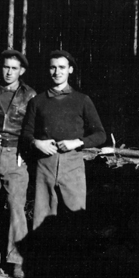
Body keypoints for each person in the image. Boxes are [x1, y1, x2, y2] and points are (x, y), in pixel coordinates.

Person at [21, 50, 106, 231]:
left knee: (75, 217)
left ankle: (74, 259)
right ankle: (42, 259)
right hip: (45, 164)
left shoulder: (82, 100)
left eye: (62, 67)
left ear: (70, 70)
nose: (57, 72)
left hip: (73, 164)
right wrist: (37, 143)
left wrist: (78, 142)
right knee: (42, 218)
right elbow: (26, 133)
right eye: (53, 67)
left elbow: (100, 134)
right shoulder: (38, 101)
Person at [0, 50, 36, 278]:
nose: (9, 72)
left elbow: (33, 128)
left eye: (14, 68)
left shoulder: (30, 95)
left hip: (15, 153)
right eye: (6, 67)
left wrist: (26, 152)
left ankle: (17, 260)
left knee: (16, 207)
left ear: (21, 71)